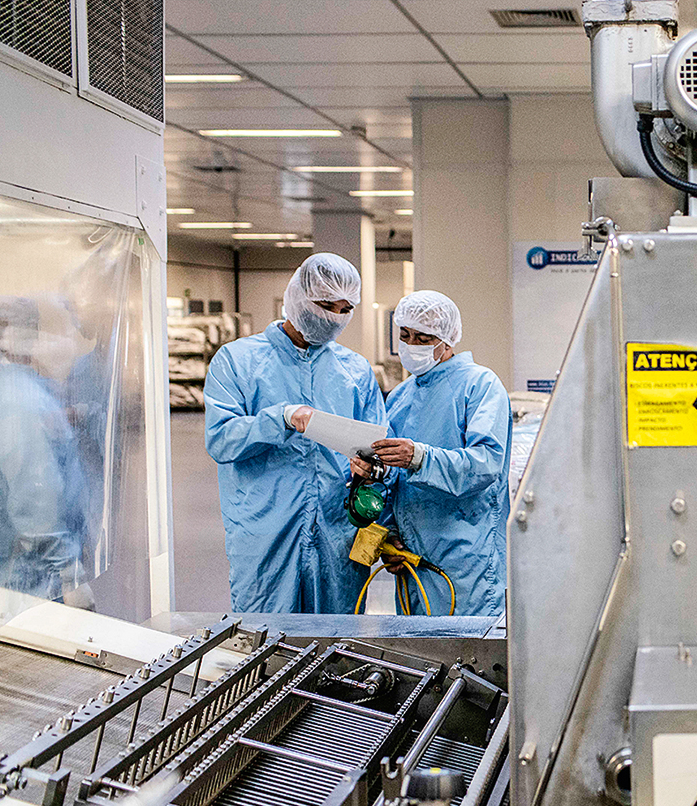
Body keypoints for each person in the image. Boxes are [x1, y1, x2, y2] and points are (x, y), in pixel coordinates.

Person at [205, 253, 385, 613]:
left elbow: (378, 446)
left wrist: (372, 469)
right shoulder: (237, 361)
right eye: (325, 305)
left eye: (345, 308)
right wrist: (281, 418)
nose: (334, 317)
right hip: (267, 534)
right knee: (264, 641)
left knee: (339, 643)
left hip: (336, 534)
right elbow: (221, 439)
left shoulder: (355, 371)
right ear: (298, 298)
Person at [353, 291, 510, 620]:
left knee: (469, 659)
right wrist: (388, 534)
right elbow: (394, 481)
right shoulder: (400, 396)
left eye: (424, 338)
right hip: (411, 559)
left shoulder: (480, 386)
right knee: (418, 657)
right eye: (405, 336)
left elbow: (486, 463)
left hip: (466, 560)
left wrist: (420, 457)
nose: (412, 345)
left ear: (448, 339)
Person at [0, 297, 85, 601]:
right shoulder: (19, 398)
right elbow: (35, 497)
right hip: (25, 576)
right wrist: (69, 571)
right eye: (32, 329)